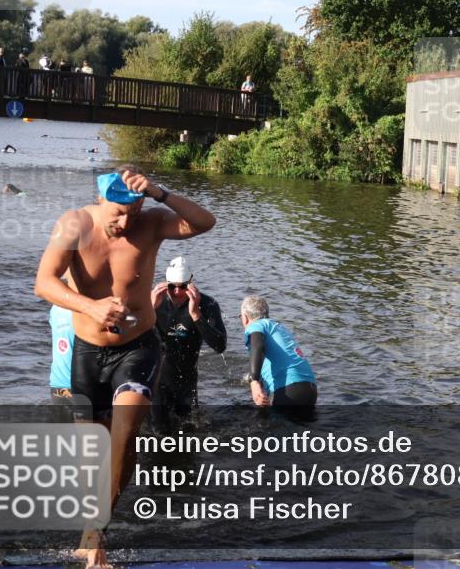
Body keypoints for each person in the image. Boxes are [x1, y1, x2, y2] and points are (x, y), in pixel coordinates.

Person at [34, 165, 215, 568]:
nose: (123, 221)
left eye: (132, 212)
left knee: (126, 432)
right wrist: (91, 305)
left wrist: (158, 193)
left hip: (138, 348)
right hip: (87, 350)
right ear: (100, 200)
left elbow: (206, 221)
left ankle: (95, 535)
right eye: (117, 212)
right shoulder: (75, 224)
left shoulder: (149, 224)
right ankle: (93, 532)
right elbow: (44, 282)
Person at [150, 256, 226, 432]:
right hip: (156, 381)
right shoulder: (153, 301)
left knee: (189, 433)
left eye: (183, 286)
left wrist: (195, 314)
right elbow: (133, 338)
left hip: (187, 381)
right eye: (172, 286)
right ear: (165, 283)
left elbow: (220, 345)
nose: (177, 292)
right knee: (157, 433)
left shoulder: (207, 304)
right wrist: (150, 311)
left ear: (190, 282)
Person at [240, 295, 316, 410]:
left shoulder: (256, 325)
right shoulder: (279, 328)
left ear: (245, 317)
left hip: (288, 390)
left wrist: (254, 382)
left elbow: (257, 345)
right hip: (310, 390)